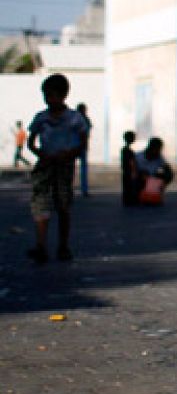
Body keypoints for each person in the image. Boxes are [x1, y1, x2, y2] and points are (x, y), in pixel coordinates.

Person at [25, 74, 88, 263]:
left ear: (63, 95)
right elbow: (31, 141)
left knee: (63, 205)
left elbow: (82, 143)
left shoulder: (75, 119)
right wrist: (40, 153)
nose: (49, 100)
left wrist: (69, 154)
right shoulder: (41, 118)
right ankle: (41, 245)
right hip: (45, 165)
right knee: (41, 204)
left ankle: (63, 245)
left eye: (52, 95)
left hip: (64, 166)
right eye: (46, 95)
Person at [134, 138, 175, 204]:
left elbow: (168, 169)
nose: (159, 151)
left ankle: (155, 194)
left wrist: (164, 181)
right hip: (139, 180)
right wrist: (140, 173)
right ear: (150, 148)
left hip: (152, 181)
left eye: (160, 149)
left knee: (166, 174)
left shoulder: (159, 158)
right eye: (157, 149)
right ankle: (138, 195)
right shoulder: (138, 156)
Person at [120, 130, 141, 207]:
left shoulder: (124, 149)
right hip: (129, 171)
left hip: (125, 171)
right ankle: (131, 200)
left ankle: (127, 200)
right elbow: (131, 162)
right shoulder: (129, 151)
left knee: (126, 186)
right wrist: (134, 171)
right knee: (130, 185)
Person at [75, 104, 92, 196]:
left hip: (74, 146)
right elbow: (87, 133)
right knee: (83, 169)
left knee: (71, 169)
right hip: (81, 146)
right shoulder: (85, 120)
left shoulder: (74, 119)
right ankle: (84, 189)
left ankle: (69, 189)